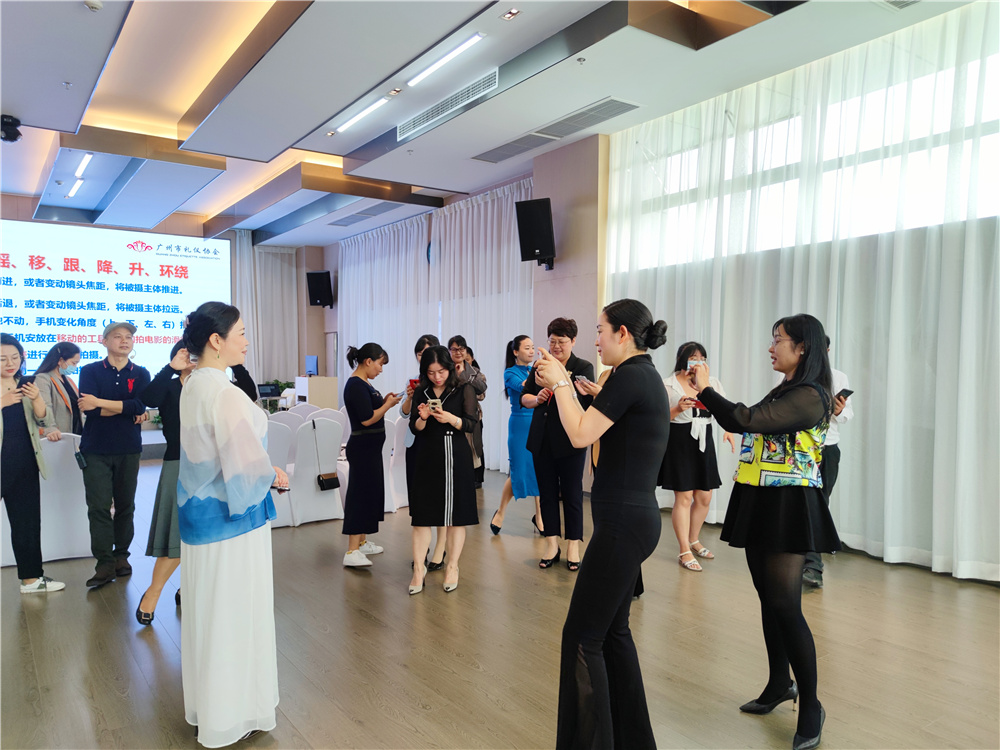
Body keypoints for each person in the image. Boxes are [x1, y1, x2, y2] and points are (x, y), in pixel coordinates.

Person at [692, 313, 840, 750]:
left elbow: (745, 419)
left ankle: (811, 705)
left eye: (779, 340)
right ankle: (779, 683)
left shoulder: (810, 395)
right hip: (761, 496)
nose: (771, 348)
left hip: (788, 504)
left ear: (803, 347)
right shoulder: (787, 388)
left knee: (786, 606)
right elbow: (747, 422)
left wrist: (706, 390)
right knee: (769, 600)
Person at [533, 299, 669, 749]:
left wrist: (562, 382)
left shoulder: (631, 376)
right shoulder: (638, 375)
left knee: (581, 637)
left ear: (623, 333)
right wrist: (580, 392)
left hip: (623, 524)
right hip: (631, 520)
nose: (595, 340)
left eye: (600, 330)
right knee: (613, 633)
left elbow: (578, 435)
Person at [177, 302, 286, 747]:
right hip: (232, 524)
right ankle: (233, 715)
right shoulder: (223, 392)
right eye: (240, 333)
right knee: (235, 614)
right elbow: (242, 463)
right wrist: (272, 474)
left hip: (200, 522)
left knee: (210, 615)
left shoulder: (193, 385)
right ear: (215, 340)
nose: (246, 341)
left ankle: (212, 710)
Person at [135, 342, 260, 624]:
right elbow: (148, 397)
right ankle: (153, 593)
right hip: (179, 463)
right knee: (176, 535)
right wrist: (171, 368)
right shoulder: (170, 387)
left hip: (214, 467)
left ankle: (187, 587)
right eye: (186, 354)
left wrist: (235, 362)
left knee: (206, 533)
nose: (192, 359)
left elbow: (249, 394)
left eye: (195, 354)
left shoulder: (216, 386)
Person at [78, 321, 151, 588]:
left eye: (128, 336)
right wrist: (125, 409)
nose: (124, 340)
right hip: (95, 449)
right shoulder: (90, 370)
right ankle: (104, 563)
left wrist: (101, 402)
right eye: (117, 336)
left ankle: (121, 557)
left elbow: (140, 405)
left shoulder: (141, 373)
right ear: (104, 341)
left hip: (128, 448)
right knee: (98, 507)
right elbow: (89, 409)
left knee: (125, 506)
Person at [522, 317, 595, 570]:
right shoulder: (539, 366)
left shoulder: (582, 367)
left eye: (561, 342)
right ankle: (551, 543)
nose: (556, 347)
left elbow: (586, 405)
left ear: (573, 341)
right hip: (541, 439)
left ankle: (573, 544)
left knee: (573, 494)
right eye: (552, 341)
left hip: (570, 441)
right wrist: (537, 398)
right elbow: (524, 397)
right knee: (547, 494)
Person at [407, 345, 479, 594]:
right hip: (426, 455)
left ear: (449, 368)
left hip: (455, 455)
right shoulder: (421, 391)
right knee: (422, 517)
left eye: (441, 371)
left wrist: (450, 418)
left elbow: (470, 424)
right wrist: (423, 417)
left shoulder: (464, 389)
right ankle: (419, 569)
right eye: (431, 372)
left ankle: (452, 566)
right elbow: (414, 428)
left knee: (456, 517)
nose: (437, 377)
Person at [661, 341, 736, 571]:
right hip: (679, 441)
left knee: (704, 497)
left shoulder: (711, 383)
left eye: (702, 358)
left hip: (705, 440)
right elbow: (659, 417)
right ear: (682, 359)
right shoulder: (668, 384)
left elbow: (723, 410)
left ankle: (694, 539)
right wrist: (678, 409)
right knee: (683, 497)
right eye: (693, 358)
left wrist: (729, 430)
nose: (698, 362)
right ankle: (684, 549)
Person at [1, 333, 65, 594]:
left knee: (26, 523)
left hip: (25, 462)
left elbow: (43, 420)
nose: (10, 363)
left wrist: (37, 398)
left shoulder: (26, 384)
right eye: (2, 359)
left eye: (15, 357)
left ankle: (31, 579)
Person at [342, 343, 401, 568]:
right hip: (362, 449)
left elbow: (371, 408)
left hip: (371, 449)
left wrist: (384, 401)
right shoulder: (356, 385)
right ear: (368, 361)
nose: (381, 369)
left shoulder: (365, 384)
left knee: (368, 495)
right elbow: (367, 419)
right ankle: (352, 550)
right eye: (380, 364)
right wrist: (388, 405)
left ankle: (362, 542)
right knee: (359, 496)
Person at [399, 334, 448, 570]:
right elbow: (404, 414)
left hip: (442, 445)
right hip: (417, 442)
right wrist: (410, 398)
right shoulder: (416, 383)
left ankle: (440, 549)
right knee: (419, 498)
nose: (423, 358)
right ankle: (422, 548)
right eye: (420, 354)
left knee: (443, 498)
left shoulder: (449, 384)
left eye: (427, 353)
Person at [490, 335, 541, 534]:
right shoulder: (510, 373)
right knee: (518, 470)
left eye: (532, 347)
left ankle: (540, 516)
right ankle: (500, 512)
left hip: (538, 422)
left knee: (540, 469)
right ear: (515, 352)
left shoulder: (533, 370)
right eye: (527, 348)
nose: (531, 351)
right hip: (520, 425)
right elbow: (525, 387)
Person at [448, 335, 487, 487]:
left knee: (472, 450)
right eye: (454, 349)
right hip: (450, 416)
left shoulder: (474, 372)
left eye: (461, 349)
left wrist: (463, 374)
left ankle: (473, 480)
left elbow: (482, 389)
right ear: (449, 351)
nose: (458, 352)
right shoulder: (445, 370)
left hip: (469, 417)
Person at [33, 341, 83, 434]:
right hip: (55, 436)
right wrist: (50, 429)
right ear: (60, 360)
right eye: (73, 363)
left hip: (74, 433)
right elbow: (44, 407)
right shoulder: (42, 379)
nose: (75, 367)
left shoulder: (69, 380)